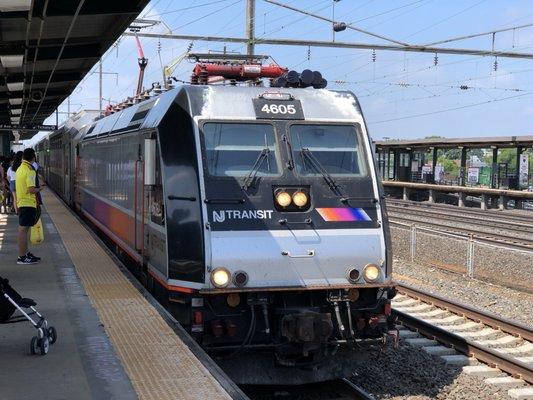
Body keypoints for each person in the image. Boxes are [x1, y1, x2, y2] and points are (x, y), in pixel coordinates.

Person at [15, 148, 45, 265]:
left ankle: (25, 254)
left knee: (24, 230)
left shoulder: (20, 169)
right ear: (34, 157)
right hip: (28, 204)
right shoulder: (30, 170)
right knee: (23, 230)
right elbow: (31, 189)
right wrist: (41, 188)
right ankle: (22, 257)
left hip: (22, 202)